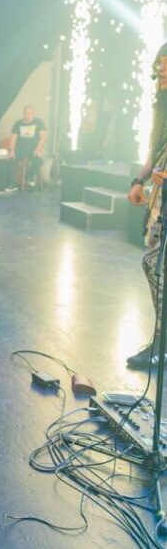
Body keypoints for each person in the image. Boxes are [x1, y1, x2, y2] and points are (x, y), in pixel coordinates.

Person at [127, 42, 167, 371]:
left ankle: (162, 343)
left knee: (155, 265)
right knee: (154, 267)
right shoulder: (161, 105)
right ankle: (160, 341)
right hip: (160, 202)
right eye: (160, 67)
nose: (162, 73)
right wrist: (137, 181)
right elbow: (153, 154)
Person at [9, 105, 47, 191]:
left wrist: (38, 149)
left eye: (30, 112)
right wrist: (12, 150)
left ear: (33, 113)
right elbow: (13, 138)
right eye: (26, 113)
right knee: (11, 159)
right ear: (24, 114)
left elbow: (43, 137)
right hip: (21, 148)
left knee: (38, 160)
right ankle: (12, 183)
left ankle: (30, 177)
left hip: (34, 149)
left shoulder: (39, 122)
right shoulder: (18, 123)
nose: (28, 114)